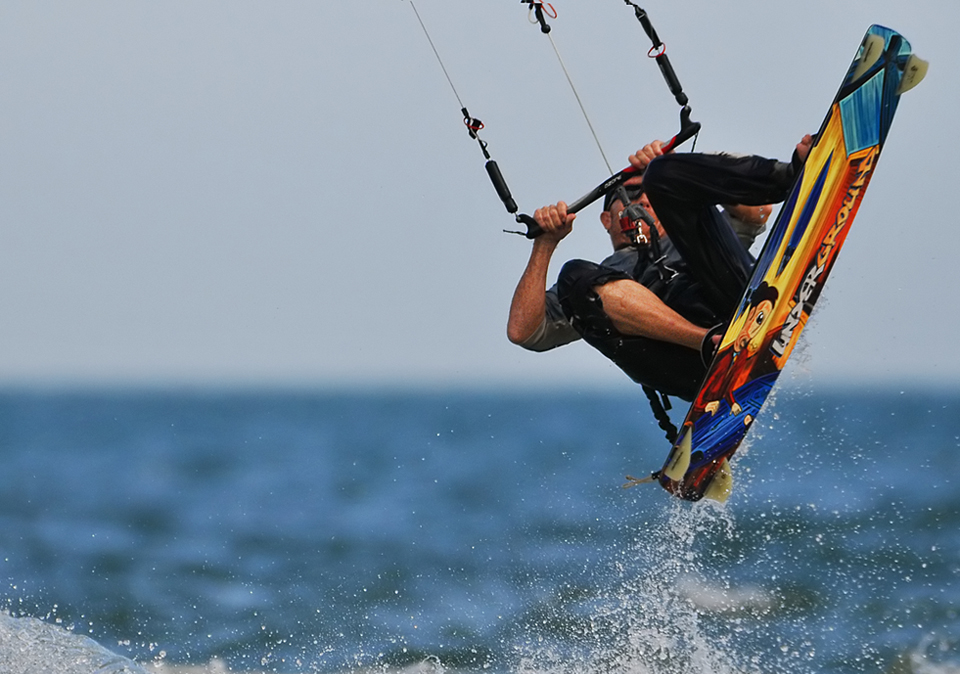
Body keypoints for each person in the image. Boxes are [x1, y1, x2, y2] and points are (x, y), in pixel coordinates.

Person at [506, 135, 813, 402]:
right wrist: (544, 245)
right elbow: (522, 332)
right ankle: (713, 344)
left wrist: (677, 166)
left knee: (663, 172)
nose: (642, 201)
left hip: (742, 310)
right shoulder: (599, 278)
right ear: (607, 220)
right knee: (573, 275)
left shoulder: (693, 227)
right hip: (695, 362)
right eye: (629, 195)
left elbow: (757, 213)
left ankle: (790, 175)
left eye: (647, 194)